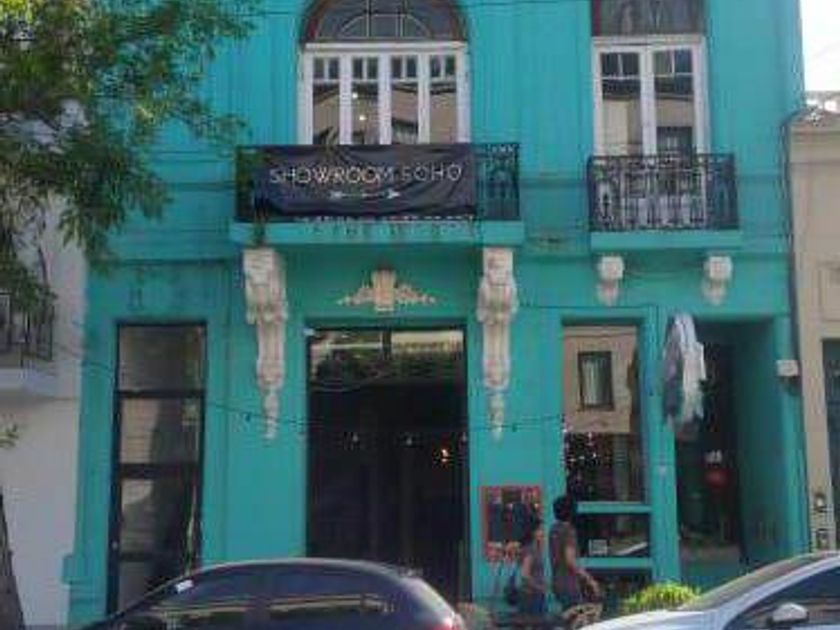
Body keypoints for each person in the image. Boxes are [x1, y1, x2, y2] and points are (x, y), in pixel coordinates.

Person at [549, 495, 600, 609]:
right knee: (576, 615)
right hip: (569, 583)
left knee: (567, 613)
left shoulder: (553, 529)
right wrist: (589, 579)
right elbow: (570, 561)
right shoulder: (568, 531)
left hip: (557, 581)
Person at [517, 518, 548, 618]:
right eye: (540, 530)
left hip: (534, 594)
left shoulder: (535, 548)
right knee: (536, 622)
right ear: (533, 532)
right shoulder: (530, 550)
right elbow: (524, 575)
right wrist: (540, 587)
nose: (543, 533)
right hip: (531, 596)